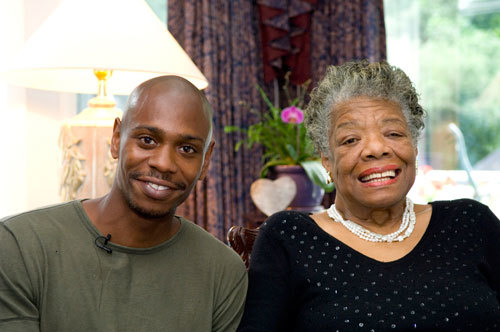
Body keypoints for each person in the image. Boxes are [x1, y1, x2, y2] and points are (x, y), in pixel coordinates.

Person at [237, 61, 500, 331]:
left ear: (414, 147)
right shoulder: (289, 237)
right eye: (351, 139)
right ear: (327, 160)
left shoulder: (470, 222)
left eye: (394, 133)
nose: (375, 148)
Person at [0, 76, 247, 332]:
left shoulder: (223, 272)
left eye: (186, 149)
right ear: (117, 138)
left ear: (205, 161)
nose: (163, 163)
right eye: (147, 140)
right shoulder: (20, 245)